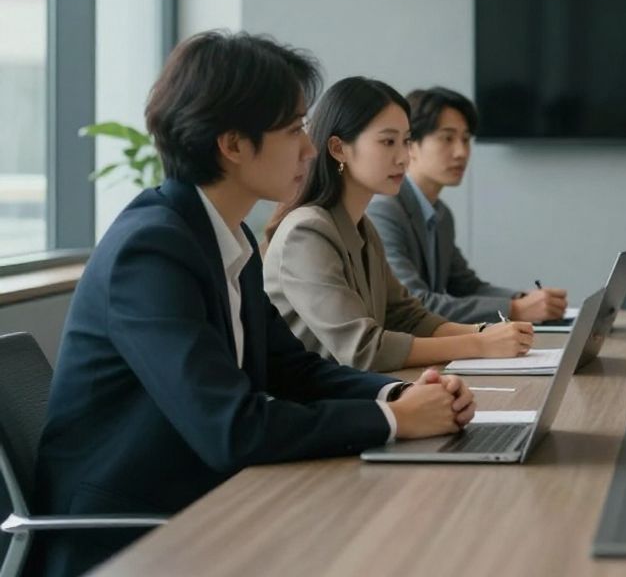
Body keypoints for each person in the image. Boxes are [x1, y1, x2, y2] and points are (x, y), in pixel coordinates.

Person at [29, 32, 475, 577]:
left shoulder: (225, 238)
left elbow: (296, 371)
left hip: (210, 502)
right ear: (233, 144)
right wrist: (392, 421)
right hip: (133, 533)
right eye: (294, 131)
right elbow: (231, 428)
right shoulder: (151, 251)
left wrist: (403, 392)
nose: (310, 150)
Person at [263, 77, 533, 372]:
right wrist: (480, 344)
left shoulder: (362, 227)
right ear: (339, 149)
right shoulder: (307, 232)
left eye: (406, 141)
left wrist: (484, 332)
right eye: (388, 141)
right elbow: (364, 349)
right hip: (312, 409)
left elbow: (409, 317)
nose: (404, 157)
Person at [367, 87, 568, 325]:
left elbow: (466, 286)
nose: (461, 152)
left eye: (465, 139)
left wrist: (526, 299)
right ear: (410, 144)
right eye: (447, 138)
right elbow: (416, 302)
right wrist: (514, 309)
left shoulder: (440, 214)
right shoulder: (384, 211)